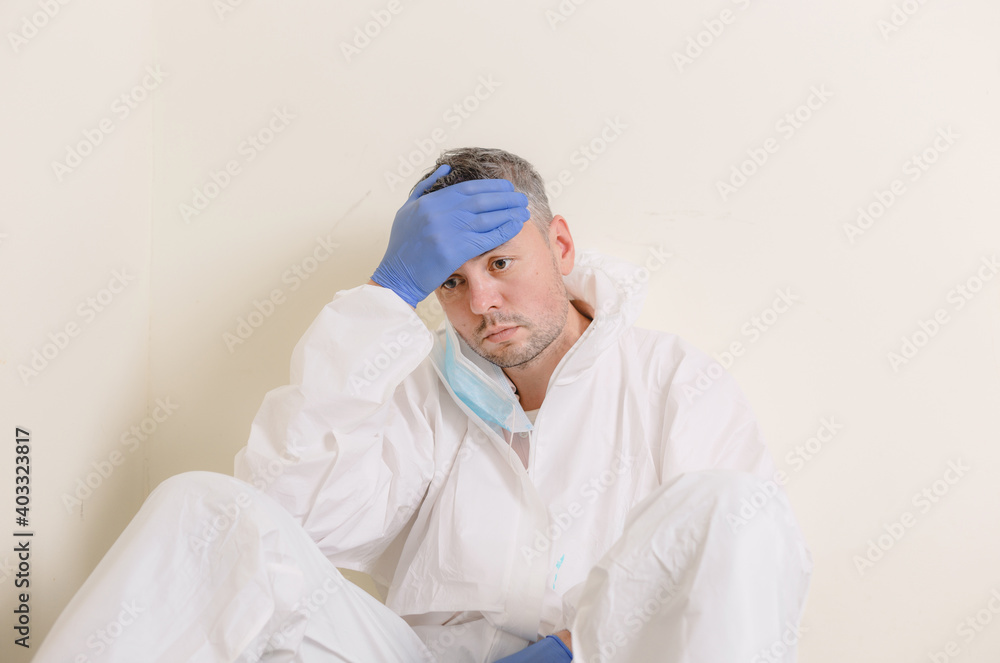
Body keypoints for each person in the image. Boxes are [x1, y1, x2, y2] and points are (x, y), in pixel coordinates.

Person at [35, 147, 812, 663]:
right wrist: (383, 300)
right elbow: (285, 517)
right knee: (202, 506)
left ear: (563, 247)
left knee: (733, 504)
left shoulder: (672, 380)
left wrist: (573, 644)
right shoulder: (417, 390)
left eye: (502, 263)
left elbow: (739, 574)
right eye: (450, 281)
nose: (483, 304)